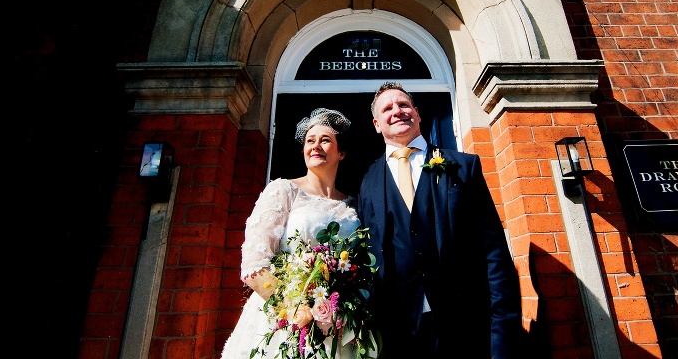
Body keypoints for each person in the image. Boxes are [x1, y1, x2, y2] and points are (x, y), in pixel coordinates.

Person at [357, 83, 522, 359]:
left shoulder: (463, 166)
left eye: (404, 105)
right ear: (376, 124)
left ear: (417, 113)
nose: (397, 111)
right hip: (399, 335)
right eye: (387, 108)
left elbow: (494, 253)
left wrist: (503, 337)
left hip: (467, 327)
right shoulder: (367, 183)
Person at [221, 108, 360, 359]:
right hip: (285, 320)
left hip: (339, 323)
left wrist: (339, 310)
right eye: (310, 140)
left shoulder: (352, 204)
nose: (315, 146)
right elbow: (255, 265)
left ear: (341, 152)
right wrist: (299, 311)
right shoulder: (283, 190)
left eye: (325, 140)